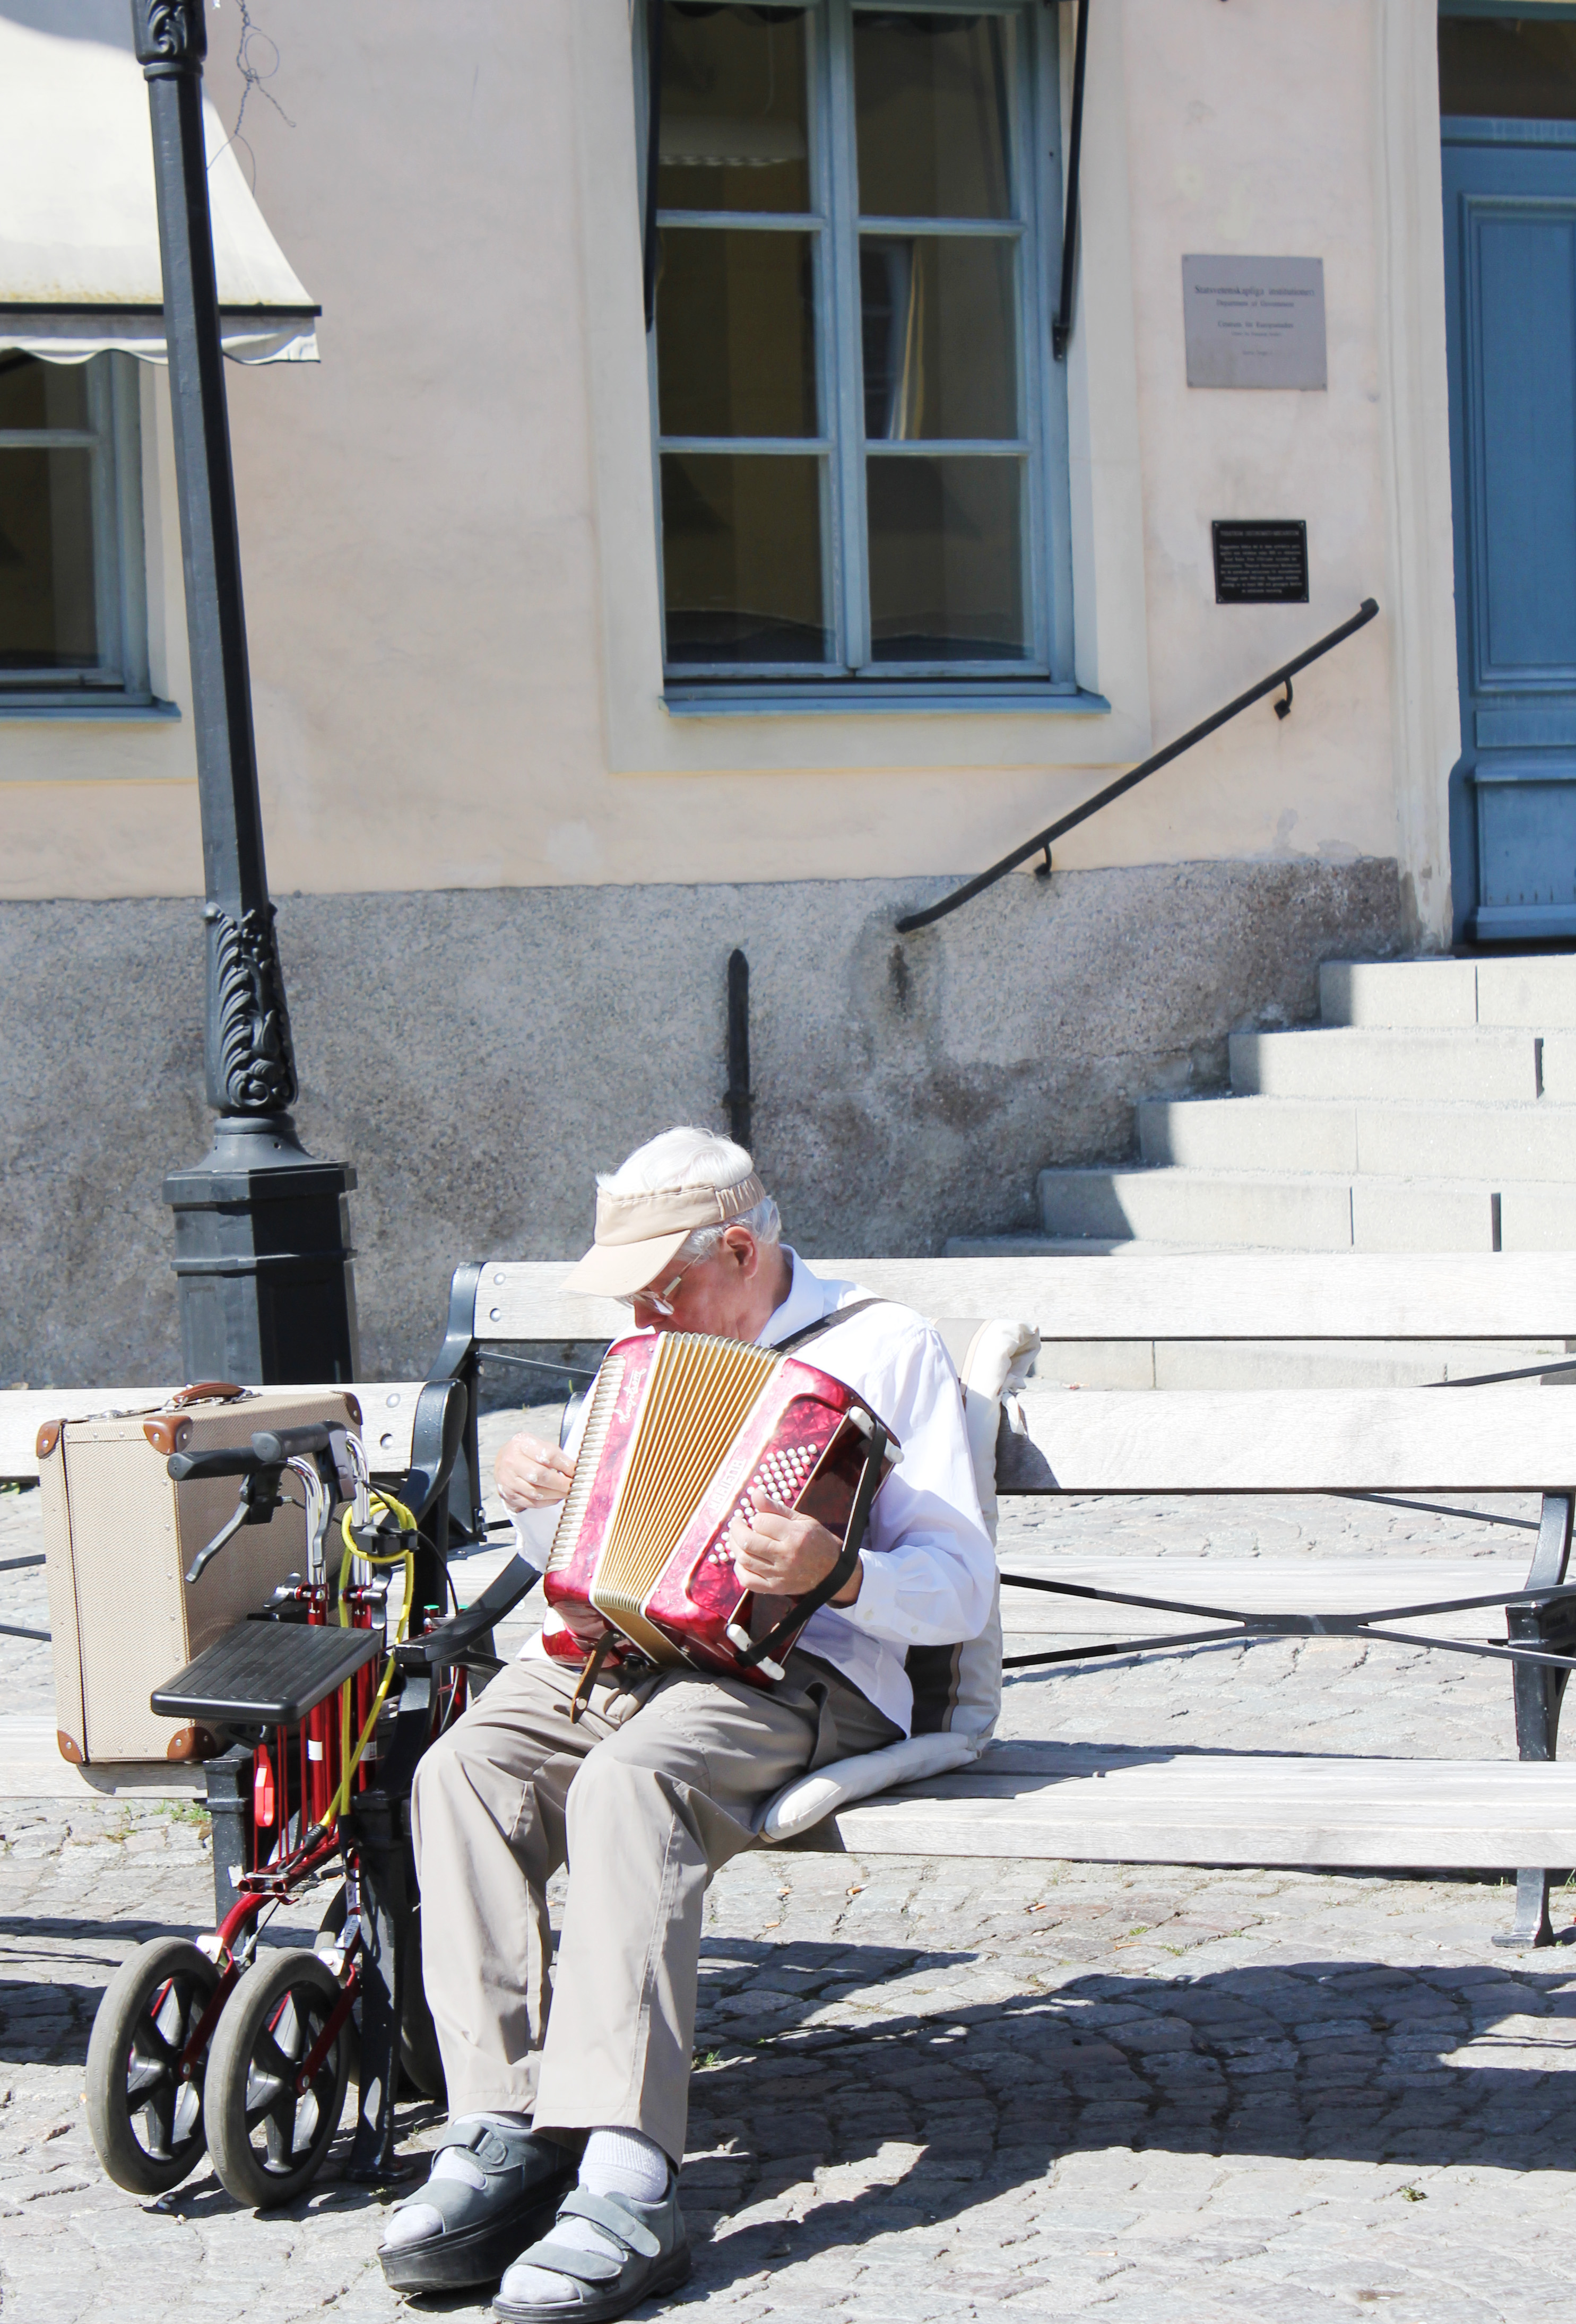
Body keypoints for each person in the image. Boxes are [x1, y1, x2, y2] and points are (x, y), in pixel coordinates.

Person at [379, 1128, 995, 2322]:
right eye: (635, 1297)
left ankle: (629, 2175)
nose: (649, 1318)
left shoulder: (886, 1347)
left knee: (629, 1784)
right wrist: (529, 1504)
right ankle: (502, 2126)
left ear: (743, 1246)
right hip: (625, 1652)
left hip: (808, 1678)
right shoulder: (640, 1354)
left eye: (670, 1286)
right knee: (462, 1768)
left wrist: (844, 1574)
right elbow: (583, 1559)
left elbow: (961, 1591)